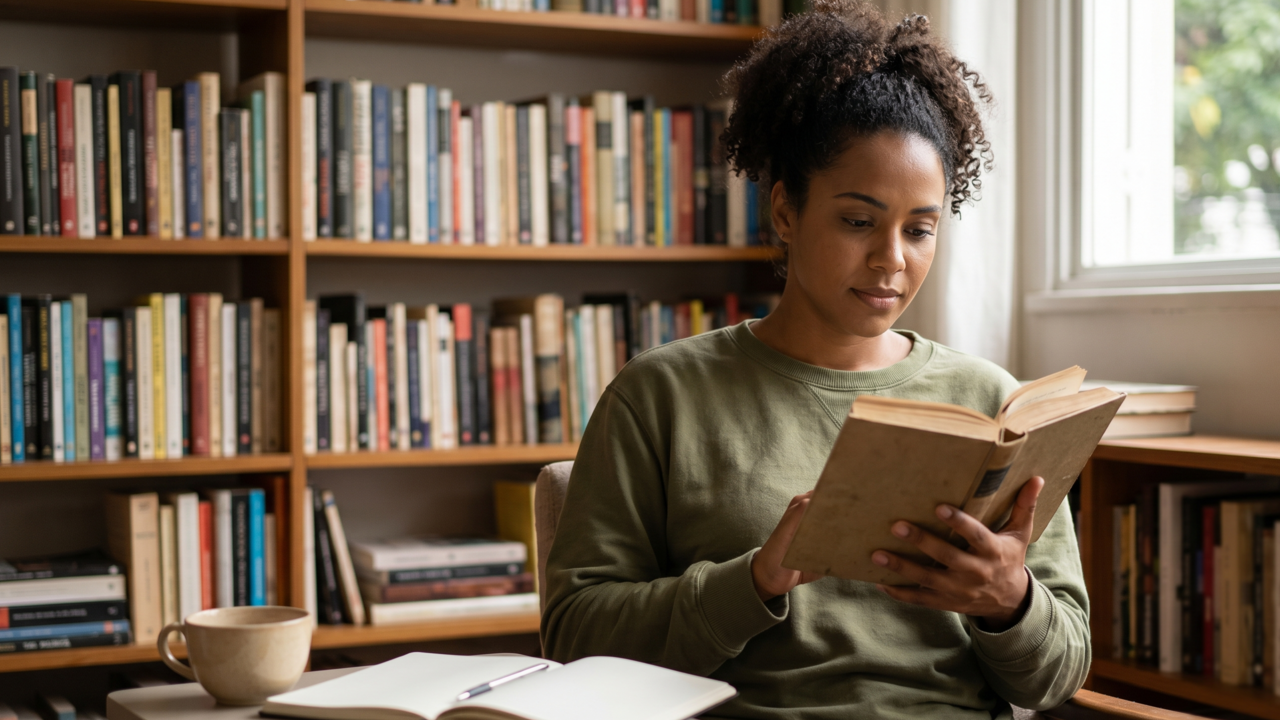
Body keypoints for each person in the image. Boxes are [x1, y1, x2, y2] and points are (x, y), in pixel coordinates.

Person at [540, 2, 1090, 717]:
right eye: (858, 221)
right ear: (785, 213)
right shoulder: (661, 396)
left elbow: (1059, 673)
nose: (892, 260)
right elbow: (574, 641)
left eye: (920, 229)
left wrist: (1008, 601)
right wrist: (755, 582)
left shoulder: (992, 401)